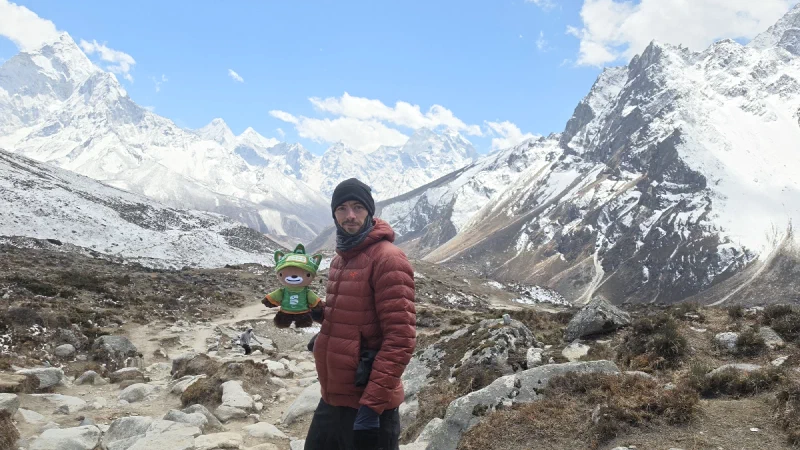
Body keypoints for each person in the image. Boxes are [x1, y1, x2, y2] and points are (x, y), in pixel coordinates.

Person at [305, 178, 416, 450]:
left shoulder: (388, 258)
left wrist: (371, 408)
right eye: (342, 208)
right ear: (334, 214)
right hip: (333, 398)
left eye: (357, 207)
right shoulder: (341, 258)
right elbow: (350, 316)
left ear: (370, 211)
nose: (350, 215)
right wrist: (318, 311)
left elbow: (401, 338)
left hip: (367, 405)